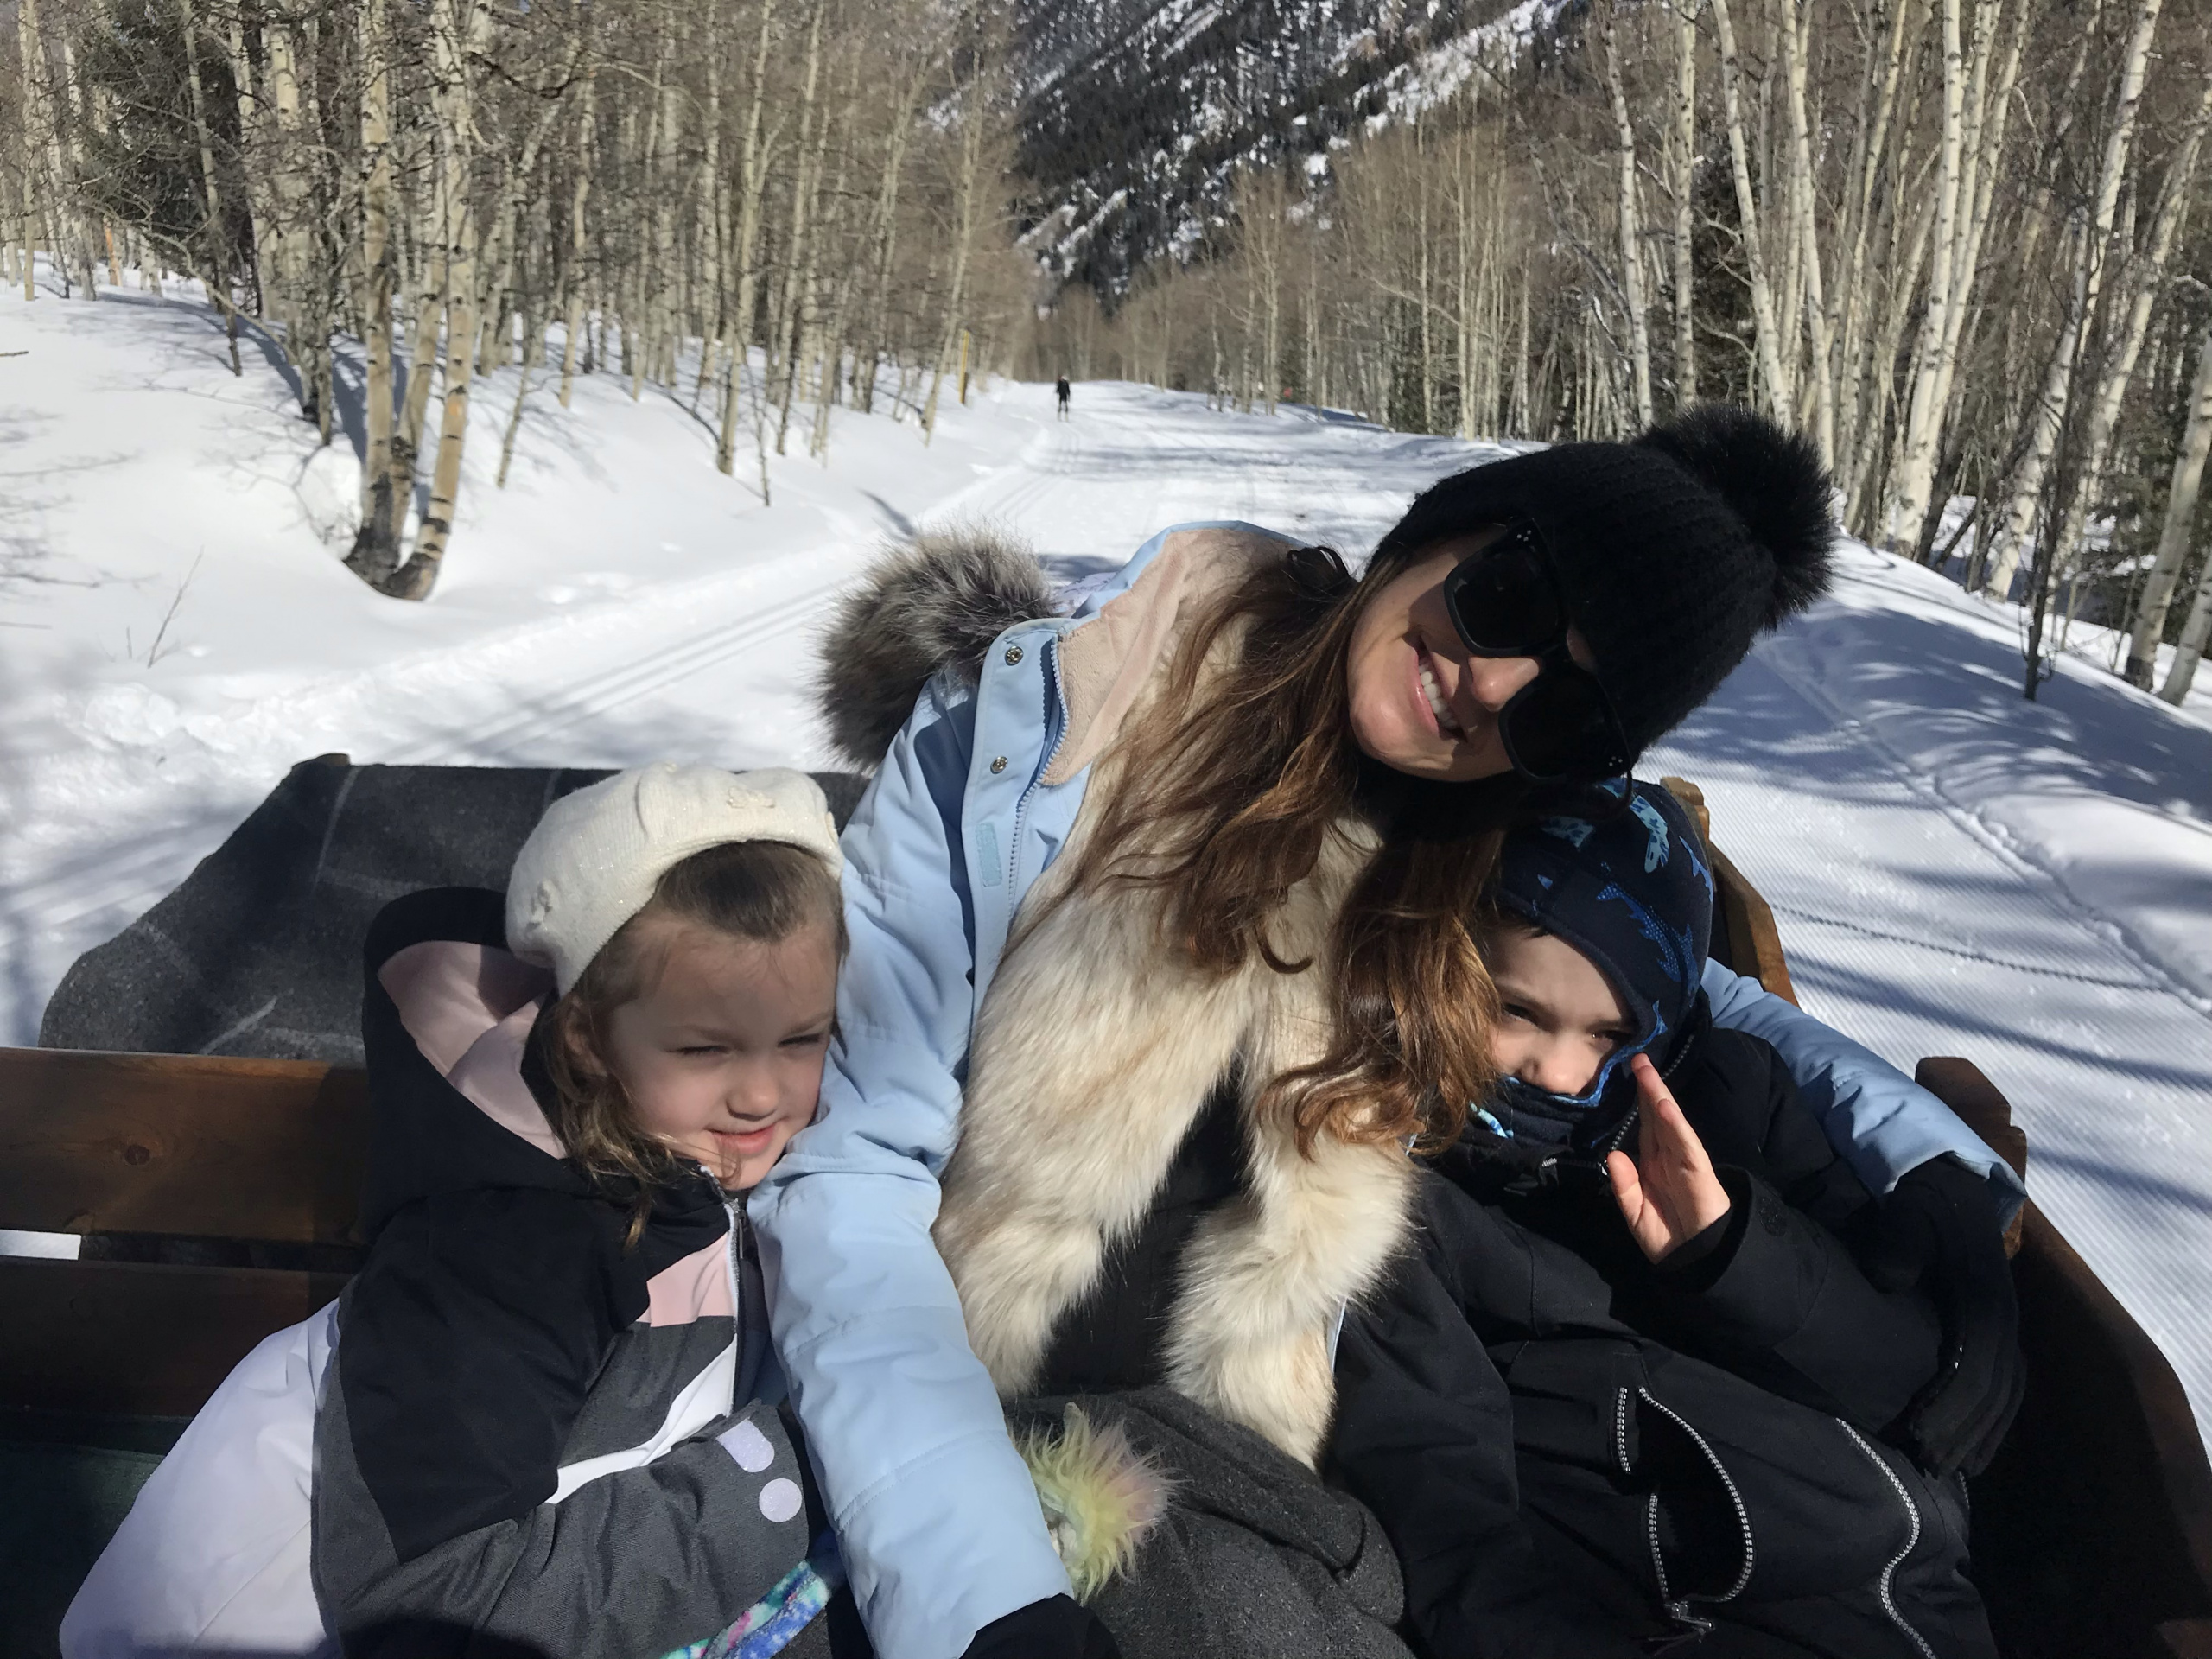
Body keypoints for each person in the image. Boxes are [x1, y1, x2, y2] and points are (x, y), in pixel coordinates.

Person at [761, 405, 2027, 1659]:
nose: (1488, 687)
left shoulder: (1479, 854)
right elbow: (850, 1167)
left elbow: (1706, 999)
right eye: (1512, 598)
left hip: (1267, 1490)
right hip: (945, 1430)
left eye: (1566, 713)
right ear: (1455, 527)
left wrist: (1936, 1177)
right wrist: (977, 1599)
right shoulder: (1056, 730)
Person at [67, 764, 866, 1659]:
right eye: (704, 1047)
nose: (762, 1093)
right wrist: (791, 1469)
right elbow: (429, 1608)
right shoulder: (500, 1253)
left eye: (803, 1037)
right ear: (588, 1041)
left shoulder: (711, 1171)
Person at [1329, 779, 2018, 1658]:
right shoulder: (1418, 1200)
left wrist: (1734, 1259)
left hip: (1902, 1585)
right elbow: (1447, 1506)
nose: (1560, 1073)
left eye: (1611, 1036)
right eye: (1516, 1011)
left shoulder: (1734, 1096)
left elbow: (1911, 1394)